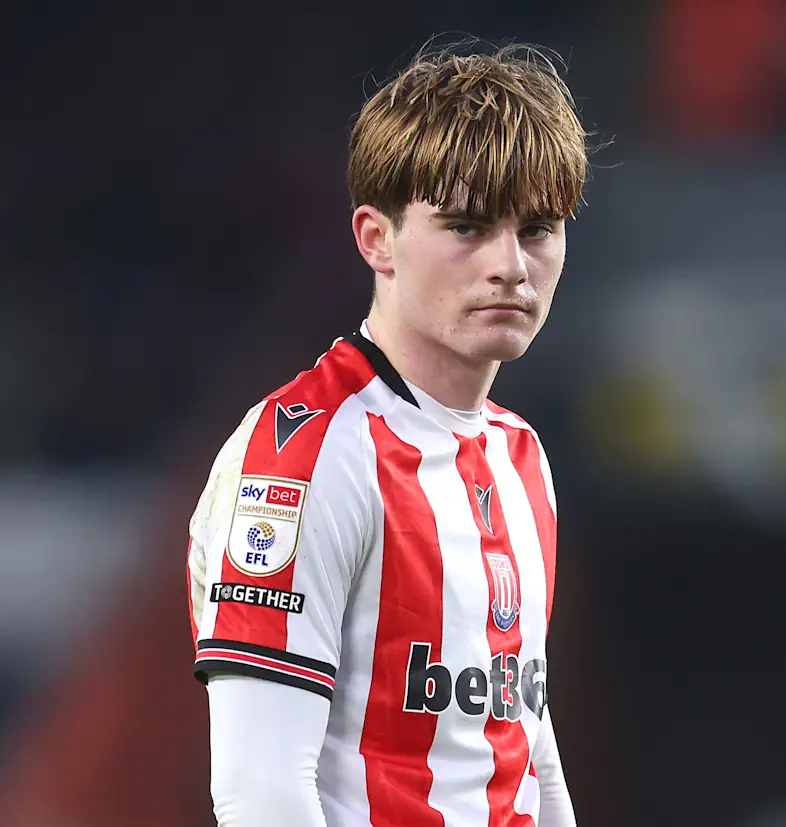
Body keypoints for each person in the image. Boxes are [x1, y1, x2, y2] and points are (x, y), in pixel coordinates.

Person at [186, 39, 591, 827]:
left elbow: (524, 745)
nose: (511, 264)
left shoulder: (520, 456)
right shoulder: (305, 455)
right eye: (469, 228)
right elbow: (260, 792)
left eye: (538, 228)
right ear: (376, 238)